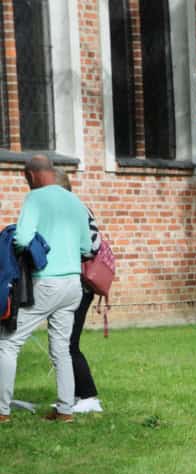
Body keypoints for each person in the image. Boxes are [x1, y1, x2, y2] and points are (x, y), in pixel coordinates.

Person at [0, 156, 93, 423]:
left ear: (31, 174)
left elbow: (22, 239)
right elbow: (86, 248)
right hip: (73, 284)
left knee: (8, 342)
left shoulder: (35, 199)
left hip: (46, 281)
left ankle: (2, 412)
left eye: (25, 178)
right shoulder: (75, 201)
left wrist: (28, 252)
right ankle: (65, 410)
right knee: (61, 349)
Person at [55, 169, 104, 414]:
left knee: (69, 343)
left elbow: (92, 246)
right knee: (65, 343)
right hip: (72, 285)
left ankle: (89, 397)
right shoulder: (73, 209)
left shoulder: (75, 210)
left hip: (80, 286)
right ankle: (72, 395)